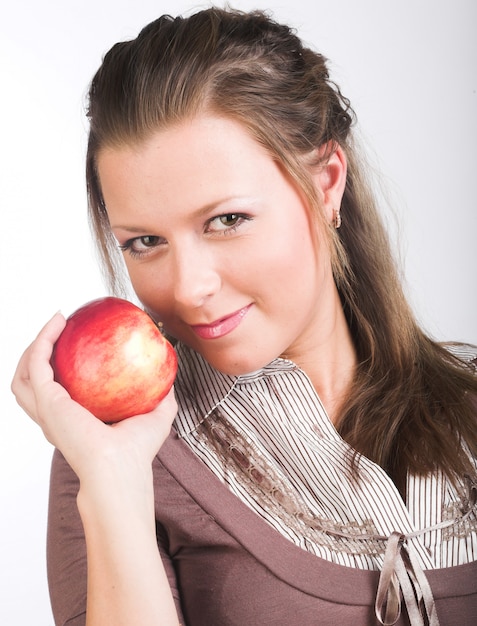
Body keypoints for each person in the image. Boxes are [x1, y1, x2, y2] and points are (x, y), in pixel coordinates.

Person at [11, 7, 477, 626]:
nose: (189, 288)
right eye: (144, 242)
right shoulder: (107, 456)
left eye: (227, 220)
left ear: (327, 183)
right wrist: (116, 488)